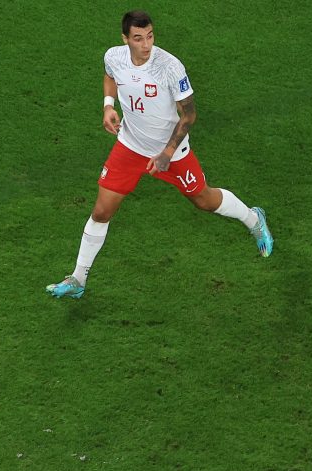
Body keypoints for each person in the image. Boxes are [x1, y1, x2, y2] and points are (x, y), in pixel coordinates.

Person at [46, 10, 273, 299]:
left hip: (172, 151)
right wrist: (107, 105)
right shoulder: (114, 56)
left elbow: (189, 115)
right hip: (130, 145)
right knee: (101, 211)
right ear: (125, 39)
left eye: (150, 36)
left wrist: (166, 153)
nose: (146, 44)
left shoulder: (169, 67)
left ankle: (254, 219)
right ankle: (78, 279)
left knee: (203, 198)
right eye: (138, 38)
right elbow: (109, 75)